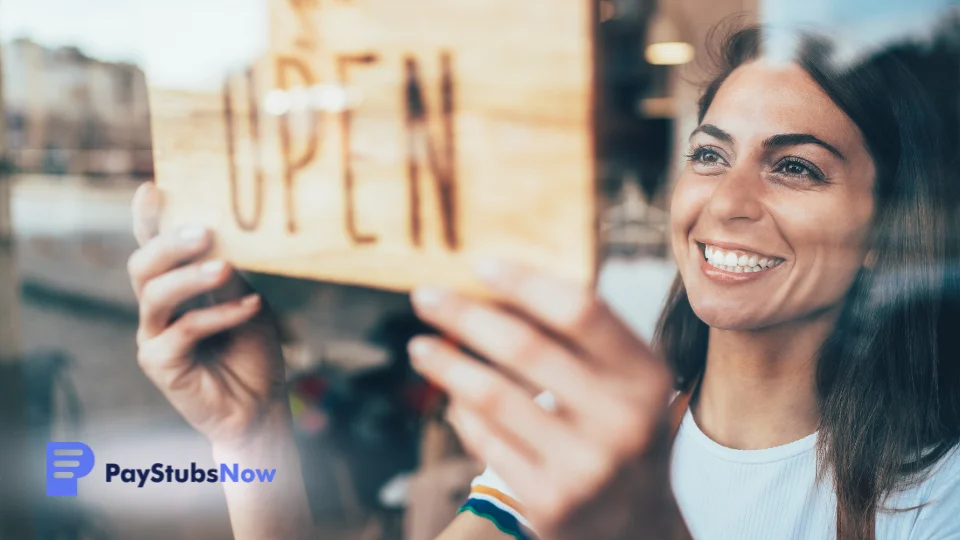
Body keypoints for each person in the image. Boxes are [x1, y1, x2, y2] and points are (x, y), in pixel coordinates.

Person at [127, 25, 960, 540]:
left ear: (889, 227)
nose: (726, 203)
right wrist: (252, 436)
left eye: (794, 167)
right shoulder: (576, 441)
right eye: (709, 154)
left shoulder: (938, 497)